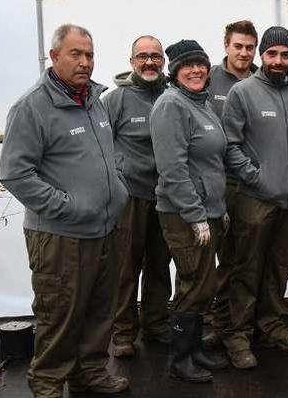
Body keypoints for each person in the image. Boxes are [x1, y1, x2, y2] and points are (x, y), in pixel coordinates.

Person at [0, 24, 129, 397]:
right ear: (54, 56)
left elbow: (108, 153)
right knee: (60, 313)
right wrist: (67, 206)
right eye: (76, 54)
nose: (85, 62)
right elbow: (14, 173)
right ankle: (48, 382)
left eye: (89, 55)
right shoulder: (33, 107)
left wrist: (115, 185)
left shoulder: (94, 100)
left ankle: (90, 371)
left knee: (99, 308)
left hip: (103, 229)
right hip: (60, 236)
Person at [219, 26, 288, 369]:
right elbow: (229, 144)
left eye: (285, 54)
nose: (278, 60)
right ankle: (238, 335)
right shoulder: (242, 93)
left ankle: (272, 325)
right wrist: (255, 177)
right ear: (262, 55)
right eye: (272, 54)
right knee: (246, 269)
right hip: (254, 200)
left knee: (280, 268)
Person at [150, 40, 229, 383]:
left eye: (201, 64)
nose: (196, 71)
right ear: (175, 72)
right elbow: (173, 169)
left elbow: (210, 162)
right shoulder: (171, 105)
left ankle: (195, 350)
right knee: (193, 284)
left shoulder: (202, 103)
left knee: (203, 283)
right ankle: (180, 359)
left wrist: (216, 208)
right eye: (187, 66)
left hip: (207, 210)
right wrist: (195, 215)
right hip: (183, 214)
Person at [104, 35, 171, 358]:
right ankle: (122, 332)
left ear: (163, 61)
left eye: (155, 56)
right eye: (142, 56)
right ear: (131, 61)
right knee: (126, 267)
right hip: (130, 196)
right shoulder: (114, 100)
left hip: (167, 196)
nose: (149, 62)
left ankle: (156, 324)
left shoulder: (172, 96)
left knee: (160, 264)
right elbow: (100, 147)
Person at [205, 20, 258, 348]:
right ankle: (220, 321)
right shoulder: (207, 79)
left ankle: (247, 322)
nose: (243, 52)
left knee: (248, 258)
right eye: (238, 46)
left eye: (249, 47)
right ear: (226, 45)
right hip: (220, 183)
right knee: (224, 258)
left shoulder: (261, 80)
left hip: (252, 184)